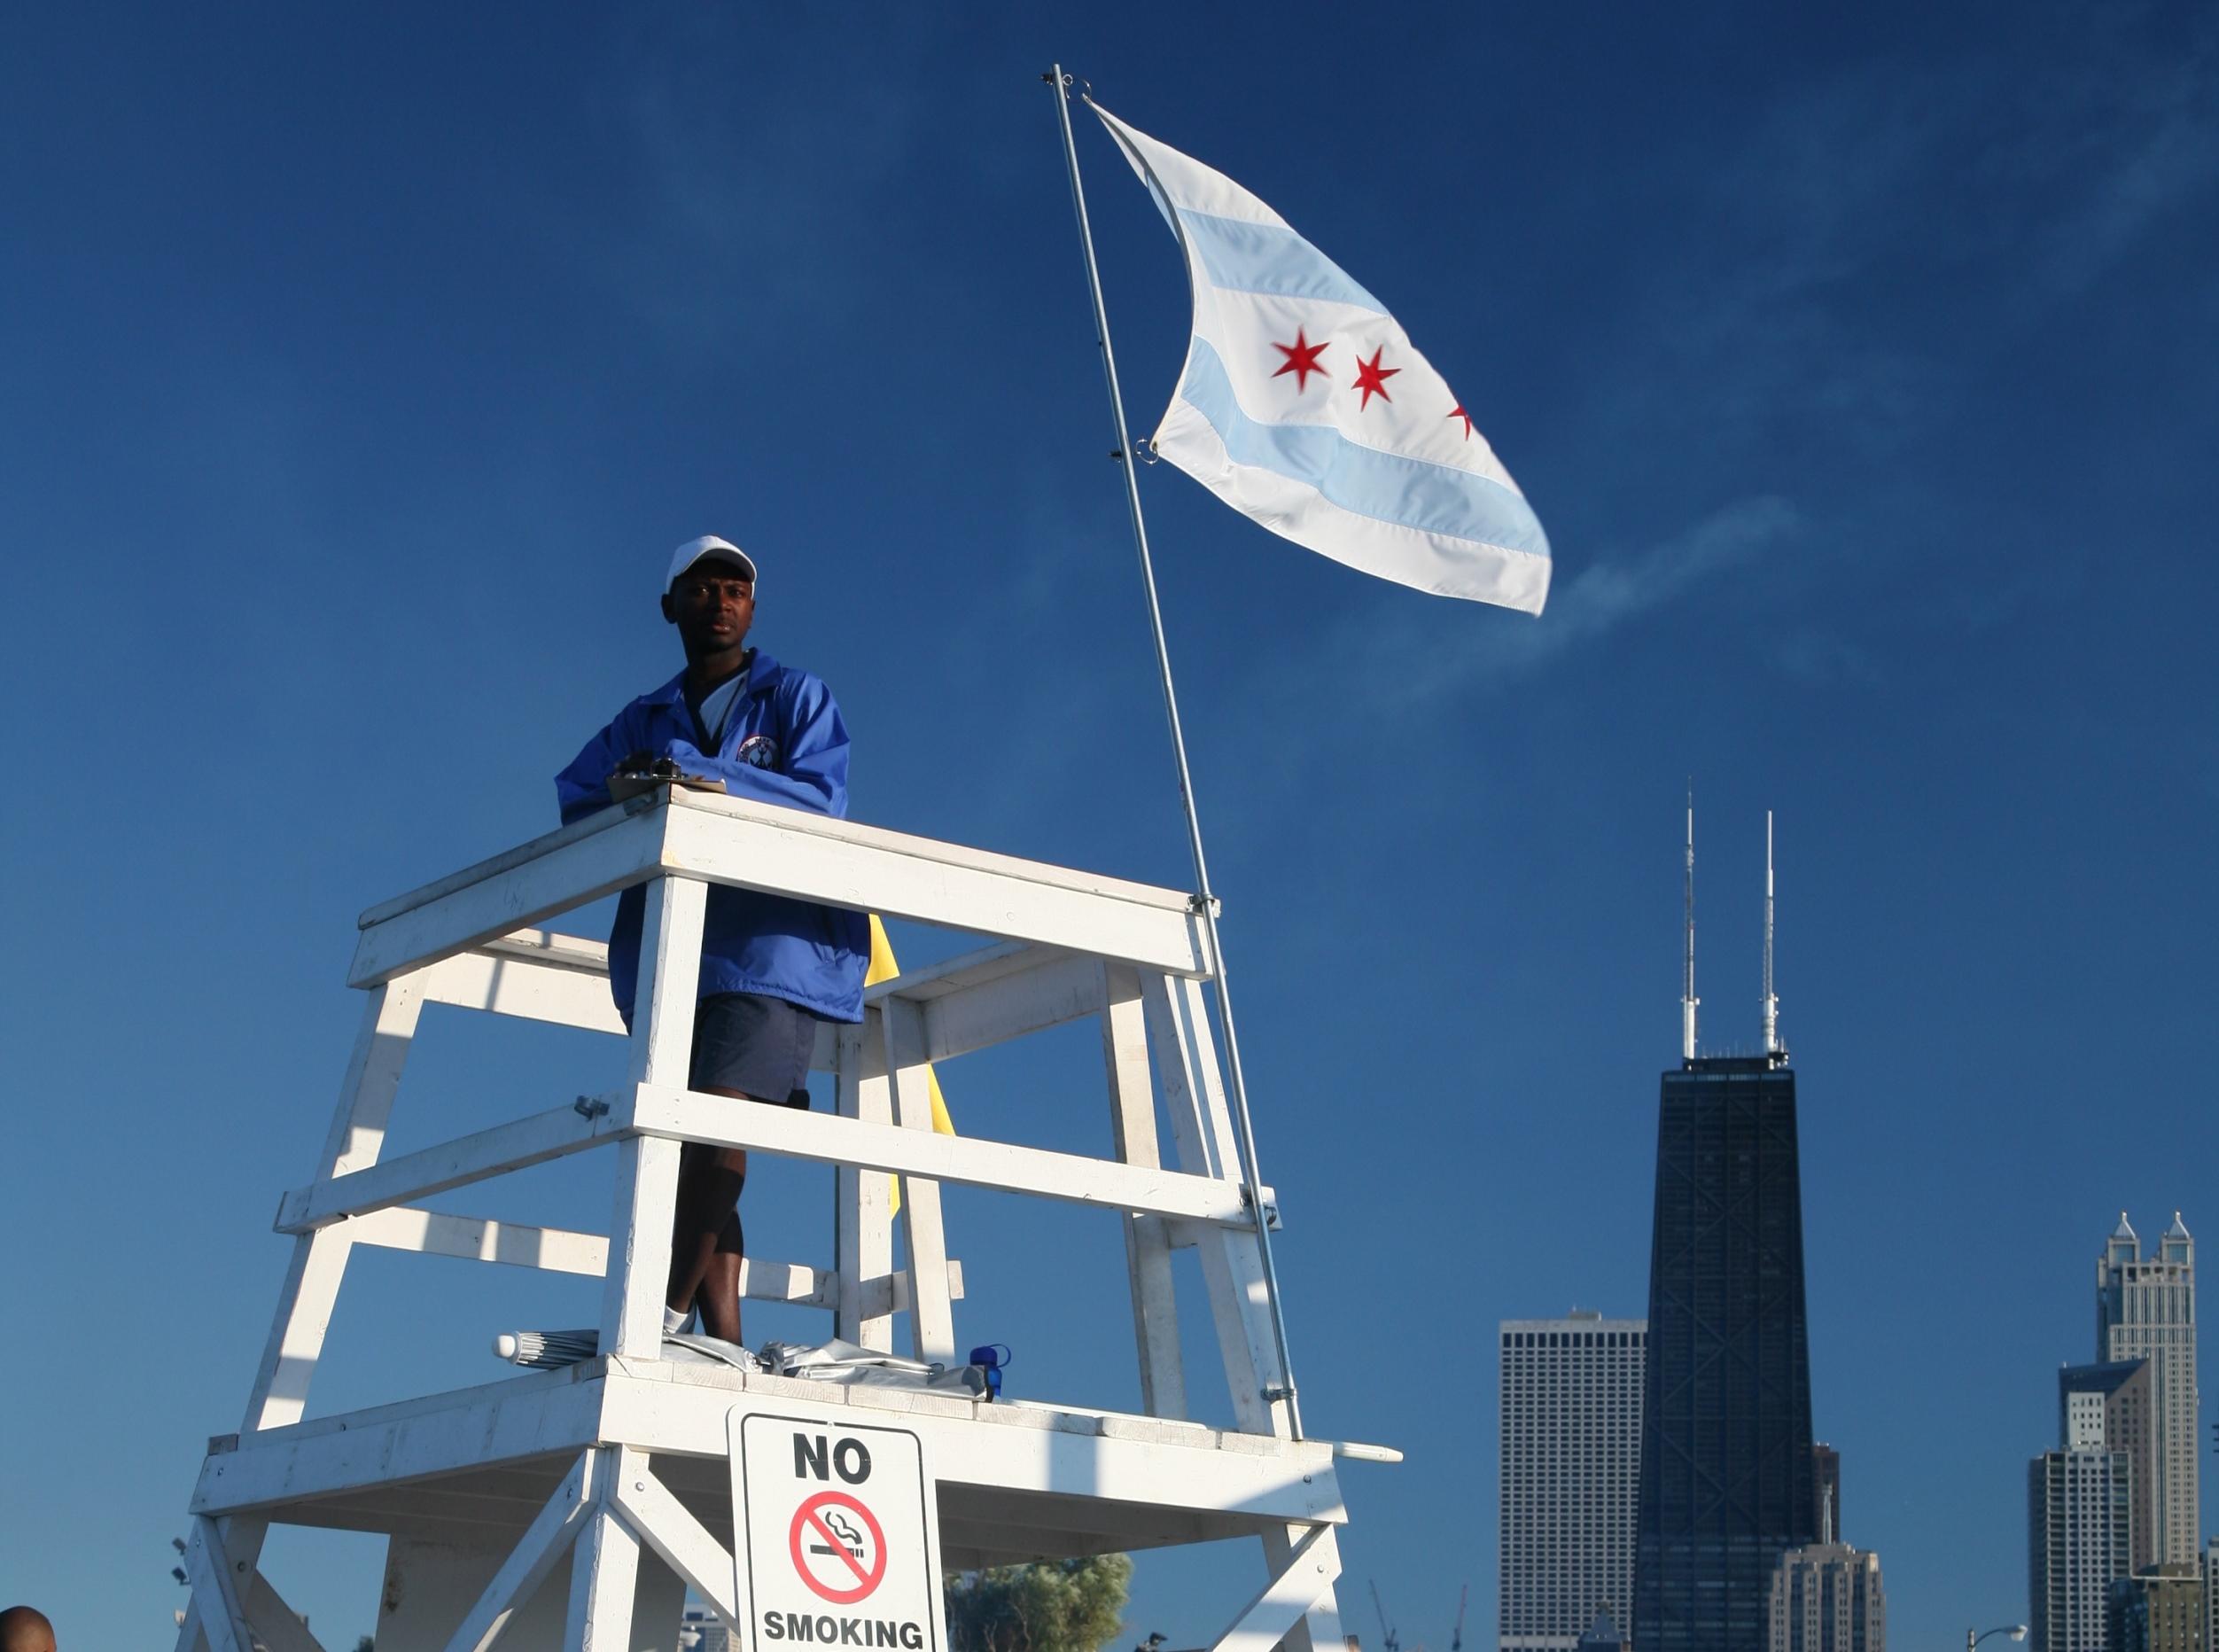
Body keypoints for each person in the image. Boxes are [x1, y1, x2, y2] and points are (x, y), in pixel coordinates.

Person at [557, 534, 868, 1345]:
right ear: (671, 606)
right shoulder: (645, 716)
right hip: (674, 956)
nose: (721, 601)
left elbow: (822, 800)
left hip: (773, 949)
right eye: (702, 589)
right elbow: (577, 797)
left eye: (736, 588)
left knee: (721, 1124)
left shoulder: (796, 696)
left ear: (753, 607)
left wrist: (705, 776)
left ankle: (654, 1313)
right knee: (688, 1138)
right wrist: (635, 790)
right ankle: (722, 1338)